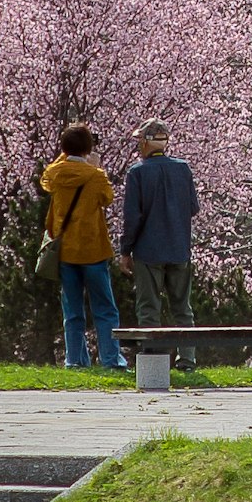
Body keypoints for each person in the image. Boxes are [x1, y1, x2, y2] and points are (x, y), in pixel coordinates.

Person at [39, 123, 123, 371]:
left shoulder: (55, 174)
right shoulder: (95, 175)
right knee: (105, 308)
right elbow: (107, 198)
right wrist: (94, 166)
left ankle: (74, 360)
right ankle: (110, 359)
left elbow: (46, 180)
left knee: (72, 310)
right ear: (88, 148)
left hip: (65, 251)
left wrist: (67, 154)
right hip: (93, 250)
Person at [121, 120, 198, 329]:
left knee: (148, 310)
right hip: (179, 248)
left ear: (145, 143)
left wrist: (125, 251)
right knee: (183, 310)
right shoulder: (183, 169)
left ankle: (153, 359)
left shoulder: (137, 173)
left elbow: (132, 218)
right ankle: (187, 360)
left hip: (148, 251)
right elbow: (193, 208)